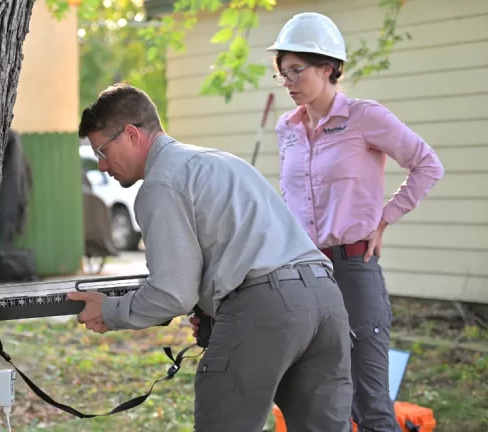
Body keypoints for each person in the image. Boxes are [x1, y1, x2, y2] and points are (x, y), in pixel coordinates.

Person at [68, 83, 354, 431]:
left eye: (102, 150)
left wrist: (110, 310)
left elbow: (173, 293)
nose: (101, 165)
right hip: (326, 301)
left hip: (266, 309)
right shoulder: (218, 161)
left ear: (131, 134)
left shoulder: (161, 184)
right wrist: (213, 307)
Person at [254, 11, 443, 432]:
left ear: (328, 68)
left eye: (295, 71)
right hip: (303, 274)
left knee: (371, 404)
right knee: (314, 399)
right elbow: (294, 201)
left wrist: (385, 219)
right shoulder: (287, 128)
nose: (286, 81)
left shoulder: (364, 117)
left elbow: (428, 164)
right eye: (282, 73)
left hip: (354, 270)